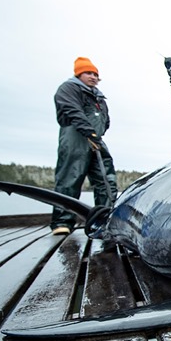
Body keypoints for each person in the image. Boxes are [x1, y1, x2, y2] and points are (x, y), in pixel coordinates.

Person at [50, 57, 118, 235]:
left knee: (107, 180)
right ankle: (62, 222)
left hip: (96, 139)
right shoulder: (69, 89)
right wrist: (89, 133)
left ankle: (107, 219)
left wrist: (97, 134)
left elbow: (105, 119)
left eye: (96, 74)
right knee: (70, 178)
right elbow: (72, 111)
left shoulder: (98, 96)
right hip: (76, 137)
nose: (93, 77)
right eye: (89, 73)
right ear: (78, 74)